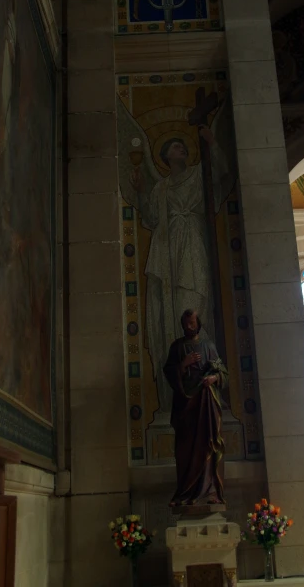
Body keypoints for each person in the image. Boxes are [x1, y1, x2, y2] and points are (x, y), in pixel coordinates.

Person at [130, 127, 228, 413]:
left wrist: (213, 144)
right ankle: (181, 386)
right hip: (169, 250)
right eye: (174, 146)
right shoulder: (161, 188)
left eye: (182, 145)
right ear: (165, 157)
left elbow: (223, 175)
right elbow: (149, 218)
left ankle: (209, 379)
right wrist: (138, 192)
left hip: (193, 244)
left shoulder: (199, 173)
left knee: (197, 304)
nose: (180, 148)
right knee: (172, 313)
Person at [163, 308, 228, 507]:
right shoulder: (177, 347)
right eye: (185, 324)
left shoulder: (208, 346)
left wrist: (214, 377)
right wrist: (184, 364)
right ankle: (185, 492)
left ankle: (210, 492)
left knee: (208, 442)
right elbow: (169, 372)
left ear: (198, 323)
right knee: (186, 450)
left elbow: (223, 372)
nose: (188, 327)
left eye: (192, 323)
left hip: (206, 403)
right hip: (186, 406)